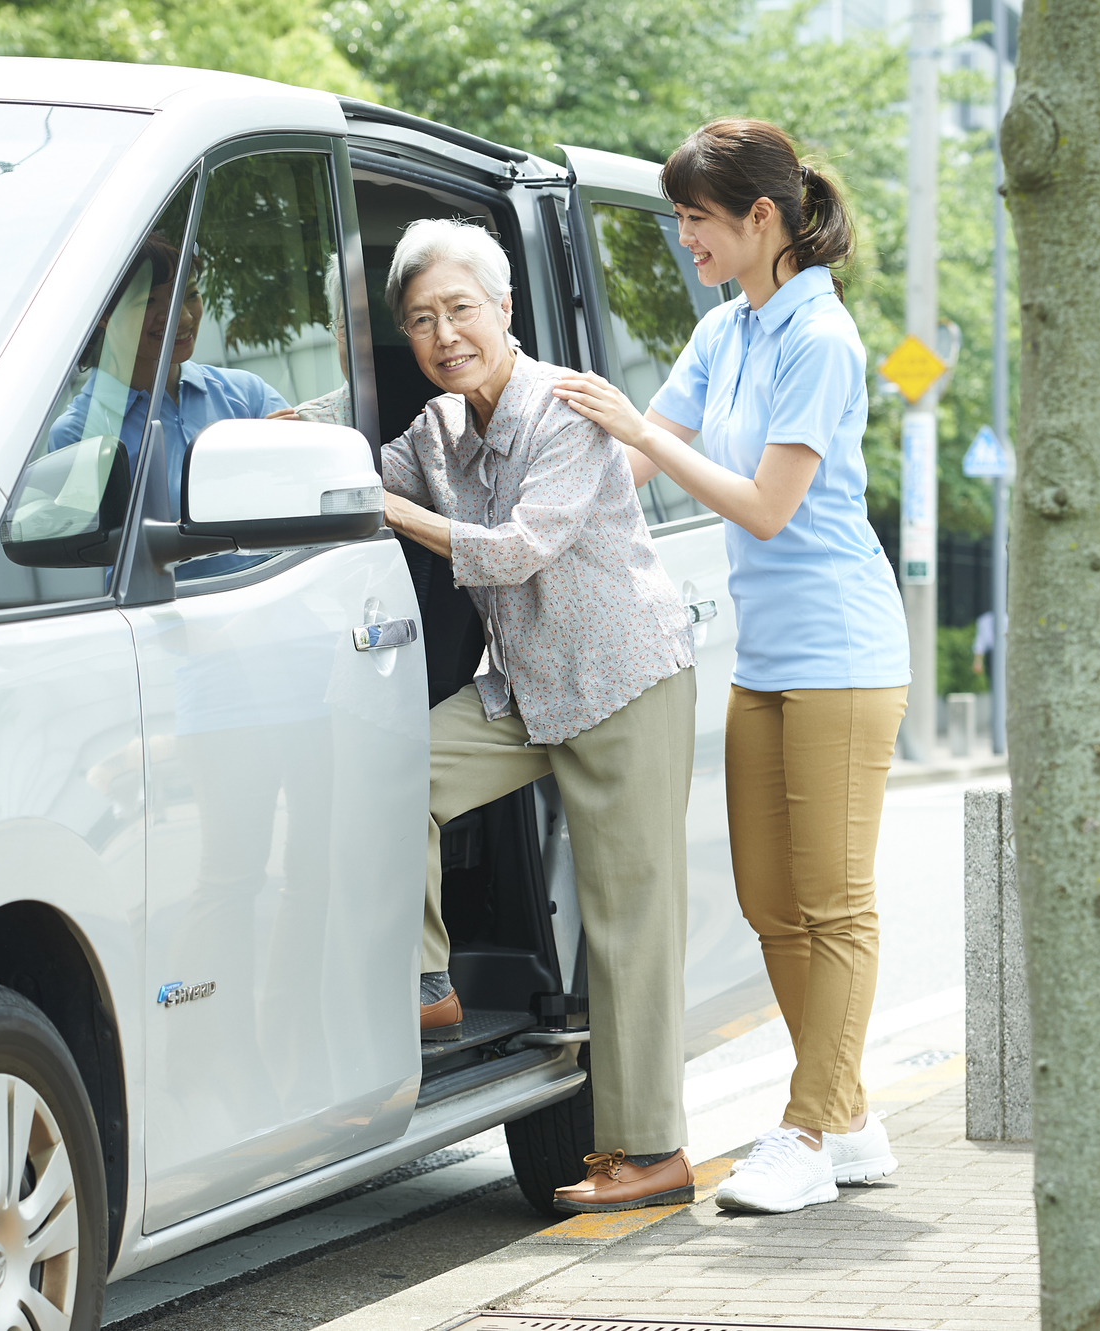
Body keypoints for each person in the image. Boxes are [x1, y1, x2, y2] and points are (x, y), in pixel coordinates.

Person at [553, 118, 911, 1215]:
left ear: (762, 220)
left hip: (843, 650)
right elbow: (627, 444)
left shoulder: (821, 340)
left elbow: (763, 502)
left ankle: (806, 1128)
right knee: (768, 901)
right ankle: (846, 1120)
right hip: (766, 653)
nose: (685, 238)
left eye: (696, 220)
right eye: (679, 219)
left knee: (833, 903)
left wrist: (649, 440)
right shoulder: (727, 330)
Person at [379, 217, 700, 1214]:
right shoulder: (436, 430)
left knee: (625, 925)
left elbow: (514, 549)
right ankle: (430, 981)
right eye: (421, 319)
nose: (443, 335)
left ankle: (650, 1153)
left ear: (504, 309)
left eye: (460, 309)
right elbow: (363, 476)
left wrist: (389, 509)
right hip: (524, 690)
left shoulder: (564, 408)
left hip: (620, 679)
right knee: (397, 775)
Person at [48, 233, 288, 517]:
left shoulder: (246, 394)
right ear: (103, 313)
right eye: (150, 301)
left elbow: (299, 489)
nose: (184, 317)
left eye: (191, 295)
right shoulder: (79, 435)